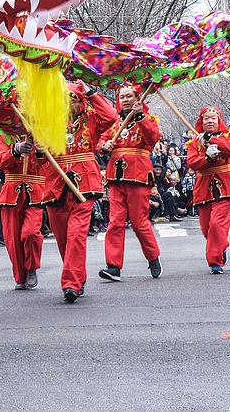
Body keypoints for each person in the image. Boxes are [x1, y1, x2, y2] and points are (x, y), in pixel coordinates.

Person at [43, 82, 117, 303]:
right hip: (56, 184)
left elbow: (111, 117)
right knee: (63, 238)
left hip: (85, 183)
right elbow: (38, 153)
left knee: (76, 235)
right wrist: (38, 148)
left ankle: (71, 284)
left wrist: (92, 93)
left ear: (80, 101)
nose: (68, 104)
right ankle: (77, 275)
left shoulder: (91, 119)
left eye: (73, 100)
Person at [97, 85, 163, 282]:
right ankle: (113, 266)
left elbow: (153, 138)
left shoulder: (149, 119)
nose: (125, 100)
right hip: (116, 178)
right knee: (115, 222)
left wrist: (140, 116)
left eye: (129, 96)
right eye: (121, 97)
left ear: (137, 98)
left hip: (138, 175)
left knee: (139, 222)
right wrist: (104, 146)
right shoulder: (113, 122)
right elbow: (100, 141)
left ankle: (153, 257)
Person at [185, 106, 230, 274]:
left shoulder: (228, 136)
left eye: (213, 118)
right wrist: (206, 158)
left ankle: (215, 261)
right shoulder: (195, 141)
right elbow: (192, 162)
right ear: (201, 122)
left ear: (219, 121)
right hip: (203, 186)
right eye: (206, 118)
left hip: (225, 185)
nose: (210, 121)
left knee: (217, 225)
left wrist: (213, 140)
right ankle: (221, 245)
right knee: (206, 229)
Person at [0, 133, 48, 291]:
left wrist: (40, 151)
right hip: (11, 192)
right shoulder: (5, 136)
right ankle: (20, 276)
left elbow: (48, 162)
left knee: (31, 232)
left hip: (35, 192)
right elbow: (1, 161)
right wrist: (16, 151)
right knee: (12, 238)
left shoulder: (43, 132)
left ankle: (31, 267)